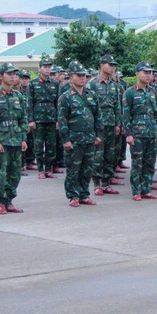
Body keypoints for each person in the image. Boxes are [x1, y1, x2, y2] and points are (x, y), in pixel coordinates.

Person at [0, 63, 29, 214]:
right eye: (9, 74)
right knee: (1, 173)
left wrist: (23, 138)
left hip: (16, 139)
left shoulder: (18, 96)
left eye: (14, 74)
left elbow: (23, 119)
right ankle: (1, 202)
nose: (13, 77)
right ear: (1, 75)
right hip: (2, 140)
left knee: (15, 172)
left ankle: (10, 200)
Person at [59, 61, 102, 207]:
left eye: (84, 75)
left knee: (87, 168)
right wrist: (65, 139)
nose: (83, 78)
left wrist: (97, 134)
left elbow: (97, 115)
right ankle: (73, 196)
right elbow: (62, 120)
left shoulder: (91, 95)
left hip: (89, 138)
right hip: (74, 139)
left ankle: (84, 194)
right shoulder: (65, 97)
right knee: (73, 169)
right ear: (71, 77)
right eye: (79, 75)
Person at [124, 61, 157, 201]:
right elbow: (126, 115)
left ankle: (146, 189)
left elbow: (156, 113)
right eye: (145, 72)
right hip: (137, 133)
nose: (148, 75)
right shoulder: (130, 92)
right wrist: (128, 134)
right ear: (137, 74)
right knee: (137, 163)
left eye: (150, 72)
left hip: (151, 132)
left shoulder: (152, 92)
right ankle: (136, 191)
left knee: (150, 163)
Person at [89, 54, 124, 196]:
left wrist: (118, 123)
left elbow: (117, 105)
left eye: (113, 65)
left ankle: (107, 182)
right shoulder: (92, 84)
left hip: (111, 123)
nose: (112, 67)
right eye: (110, 65)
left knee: (111, 154)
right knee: (98, 154)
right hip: (99, 124)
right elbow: (89, 106)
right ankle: (97, 184)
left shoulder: (114, 85)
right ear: (102, 65)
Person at [28, 55, 60, 180]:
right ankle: (41, 169)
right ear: (40, 68)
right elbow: (29, 103)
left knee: (51, 145)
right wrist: (30, 120)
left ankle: (48, 168)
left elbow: (57, 102)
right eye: (45, 67)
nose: (47, 69)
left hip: (51, 118)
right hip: (38, 118)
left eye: (49, 67)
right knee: (39, 145)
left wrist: (58, 119)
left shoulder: (55, 84)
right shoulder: (33, 83)